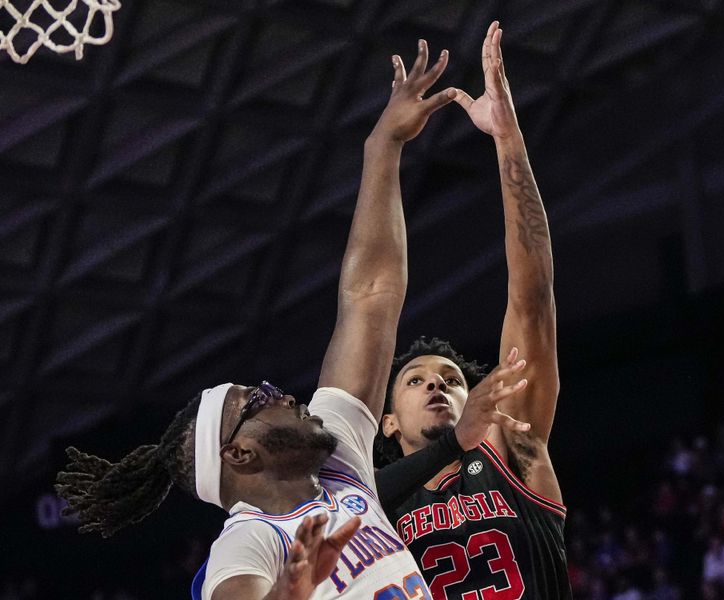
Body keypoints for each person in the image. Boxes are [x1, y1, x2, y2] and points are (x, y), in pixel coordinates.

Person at [56, 39, 470, 600]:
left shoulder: (339, 460)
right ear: (240, 454)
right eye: (256, 400)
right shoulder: (249, 539)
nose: (278, 391)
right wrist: (289, 593)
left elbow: (371, 296)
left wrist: (383, 147)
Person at [374, 22, 572, 599]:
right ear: (387, 422)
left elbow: (532, 300)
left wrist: (506, 137)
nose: (437, 386)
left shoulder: (513, 445)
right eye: (415, 381)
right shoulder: (376, 508)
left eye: (453, 380)